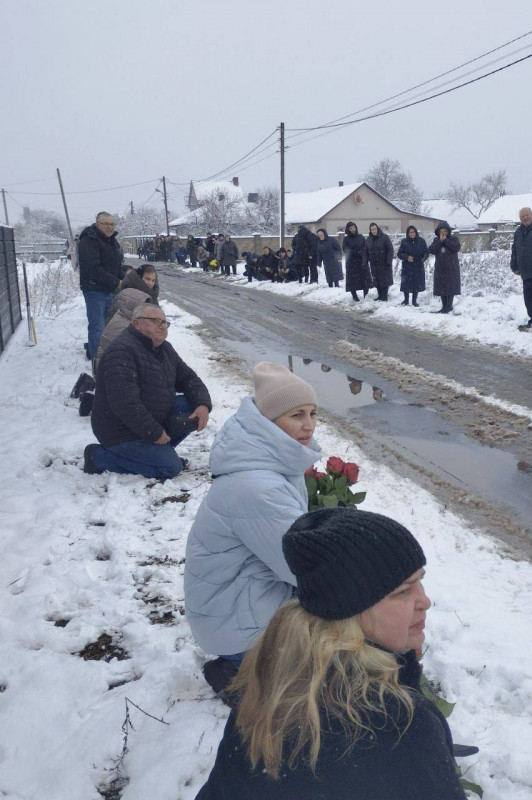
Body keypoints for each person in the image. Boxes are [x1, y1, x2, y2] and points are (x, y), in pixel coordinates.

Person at [195, 508, 467, 800]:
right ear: (351, 610)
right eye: (403, 591)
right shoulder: (400, 726)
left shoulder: (271, 683)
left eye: (420, 581)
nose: (424, 601)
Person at [184, 363, 321, 697]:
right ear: (269, 422)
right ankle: (237, 674)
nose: (309, 425)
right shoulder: (257, 487)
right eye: (296, 415)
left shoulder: (268, 461)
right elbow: (304, 570)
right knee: (318, 687)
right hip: (234, 624)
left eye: (313, 413)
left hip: (236, 603)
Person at [83, 305, 212, 479]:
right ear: (137, 323)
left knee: (191, 404)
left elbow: (189, 378)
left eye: (165, 322)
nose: (162, 326)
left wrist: (203, 404)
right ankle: (98, 457)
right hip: (119, 431)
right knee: (170, 468)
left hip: (149, 418)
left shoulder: (165, 349)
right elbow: (125, 403)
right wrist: (155, 433)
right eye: (156, 321)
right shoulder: (121, 352)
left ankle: (155, 454)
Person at [78, 212, 124, 362]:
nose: (110, 227)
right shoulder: (89, 241)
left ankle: (100, 352)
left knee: (108, 324)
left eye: (112, 224)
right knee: (97, 326)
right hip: (94, 290)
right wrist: (116, 282)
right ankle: (97, 360)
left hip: (109, 289)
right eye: (106, 224)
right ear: (98, 225)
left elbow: (116, 264)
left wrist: (123, 278)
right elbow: (93, 268)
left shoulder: (112, 241)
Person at [92, 288, 153, 374]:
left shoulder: (128, 320)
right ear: (133, 306)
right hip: (110, 372)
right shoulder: (122, 326)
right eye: (143, 307)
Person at [428, 221, 461, 314]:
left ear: (448, 231)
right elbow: (431, 250)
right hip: (440, 268)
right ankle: (444, 306)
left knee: (451, 287)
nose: (443, 233)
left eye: (445, 231)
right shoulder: (436, 240)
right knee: (441, 287)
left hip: (452, 268)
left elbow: (456, 248)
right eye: (441, 231)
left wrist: (446, 240)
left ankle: (449, 306)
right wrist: (440, 241)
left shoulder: (453, 239)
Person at [397, 225, 427, 306]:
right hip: (407, 266)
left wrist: (423, 259)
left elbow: (426, 252)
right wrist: (407, 257)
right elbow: (399, 254)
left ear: (416, 232)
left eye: (413, 232)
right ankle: (406, 300)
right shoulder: (404, 241)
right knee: (406, 284)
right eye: (410, 232)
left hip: (418, 266)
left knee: (416, 285)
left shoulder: (421, 241)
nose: (412, 234)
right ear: (408, 233)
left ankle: (414, 301)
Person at [365, 222, 394, 301]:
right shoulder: (368, 239)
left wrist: (388, 260)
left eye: (375, 229)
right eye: (372, 230)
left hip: (384, 263)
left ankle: (384, 296)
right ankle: (379, 295)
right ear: (370, 230)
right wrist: (365, 261)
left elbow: (390, 250)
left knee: (384, 280)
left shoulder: (385, 237)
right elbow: (366, 251)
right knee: (376, 280)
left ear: (377, 229)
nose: (374, 231)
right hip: (374, 263)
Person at [341, 221, 370, 301]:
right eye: (350, 228)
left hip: (361, 261)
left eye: (353, 227)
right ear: (348, 229)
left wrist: (363, 254)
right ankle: (354, 296)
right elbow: (345, 250)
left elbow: (365, 247)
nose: (353, 229)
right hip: (351, 262)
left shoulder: (361, 237)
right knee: (352, 281)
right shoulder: (346, 239)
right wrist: (356, 252)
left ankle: (366, 295)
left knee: (365, 279)